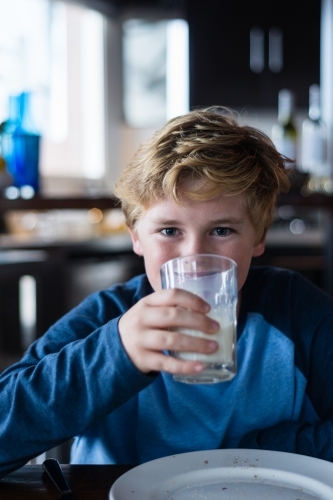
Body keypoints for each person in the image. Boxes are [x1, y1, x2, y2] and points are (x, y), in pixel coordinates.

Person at [1, 107, 333, 479]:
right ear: (135, 236)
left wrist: (260, 454)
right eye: (169, 231)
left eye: (222, 230)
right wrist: (117, 353)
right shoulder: (108, 318)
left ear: (258, 237)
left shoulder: (295, 312)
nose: (195, 258)